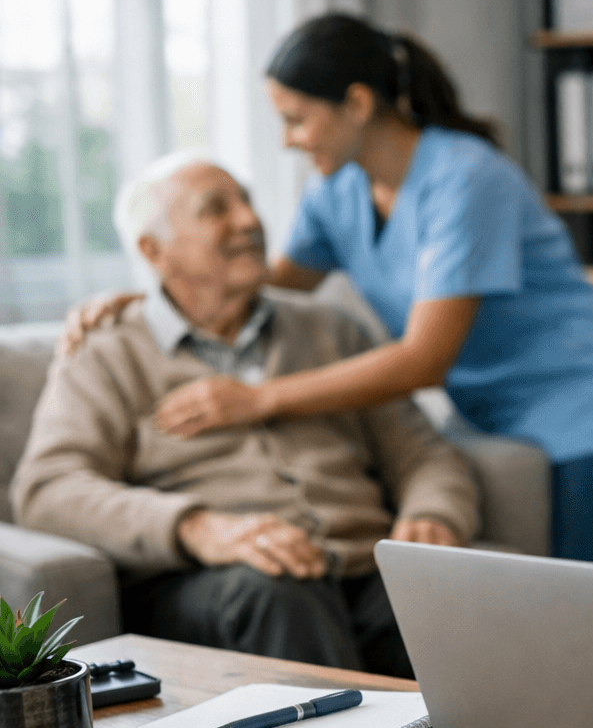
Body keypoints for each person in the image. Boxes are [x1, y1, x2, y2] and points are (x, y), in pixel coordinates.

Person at [71, 12, 593, 565]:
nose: (287, 141)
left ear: (357, 104)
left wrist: (259, 397)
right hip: (489, 403)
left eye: (296, 119)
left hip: (584, 394)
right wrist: (145, 295)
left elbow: (424, 359)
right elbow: (260, 284)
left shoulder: (465, 179)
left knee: (589, 598)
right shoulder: (337, 192)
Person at [13, 153, 480, 676]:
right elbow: (48, 489)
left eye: (248, 202)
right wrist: (196, 527)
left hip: (358, 563)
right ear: (153, 251)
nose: (249, 220)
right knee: (278, 597)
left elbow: (423, 452)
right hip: (215, 581)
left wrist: (434, 514)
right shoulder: (106, 352)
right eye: (216, 209)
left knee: (451, 603)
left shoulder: (330, 328)